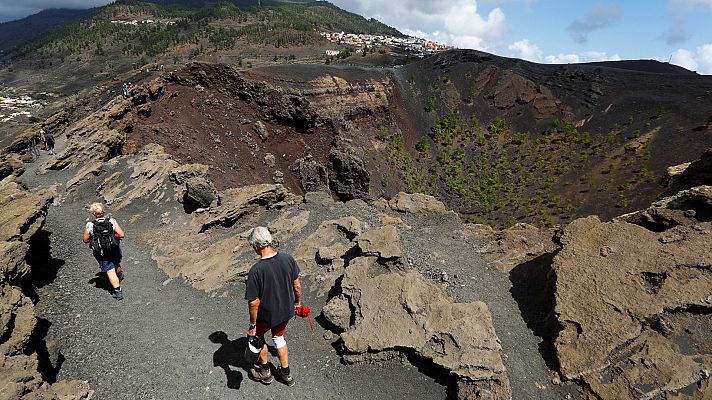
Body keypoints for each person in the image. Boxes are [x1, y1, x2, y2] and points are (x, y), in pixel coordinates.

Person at [245, 227, 301, 386]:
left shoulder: (256, 270)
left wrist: (252, 325)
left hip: (267, 315)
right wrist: (297, 303)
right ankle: (286, 374)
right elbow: (297, 285)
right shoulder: (288, 258)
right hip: (286, 311)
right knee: (278, 338)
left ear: (256, 246)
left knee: (259, 337)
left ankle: (265, 372)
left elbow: (254, 302)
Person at [82, 203, 126, 300]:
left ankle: (118, 292)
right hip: (114, 247)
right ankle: (120, 274)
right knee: (116, 262)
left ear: (93, 213)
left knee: (110, 271)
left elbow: (85, 240)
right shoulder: (112, 221)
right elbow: (122, 234)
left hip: (101, 252)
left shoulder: (90, 224)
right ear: (104, 211)